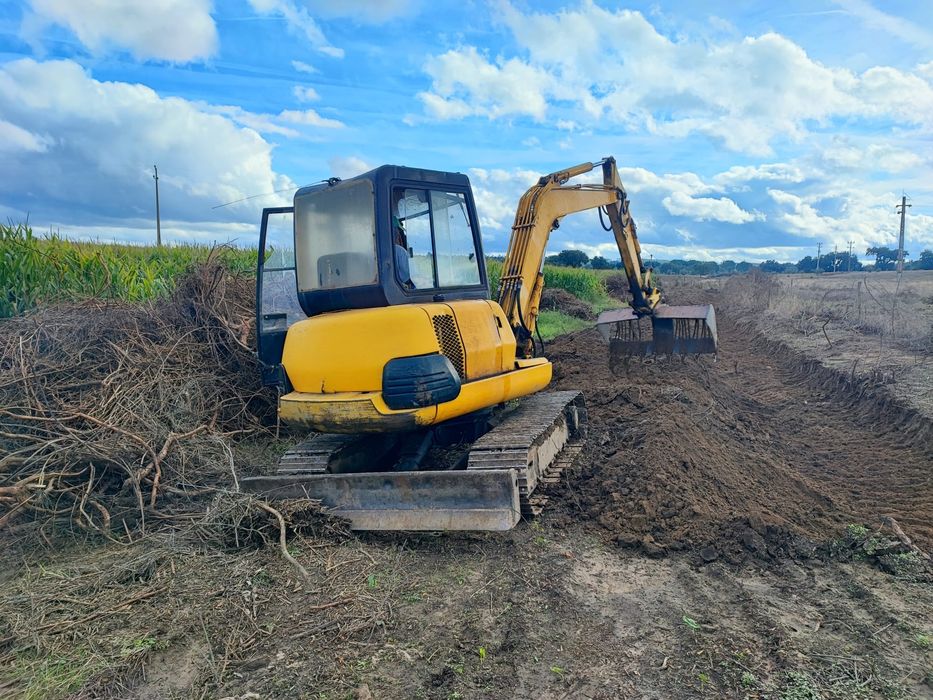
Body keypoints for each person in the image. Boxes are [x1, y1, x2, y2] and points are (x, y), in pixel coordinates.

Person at [392, 189, 414, 289]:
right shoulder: (399, 251)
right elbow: (410, 277)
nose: (401, 237)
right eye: (400, 233)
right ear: (396, 234)